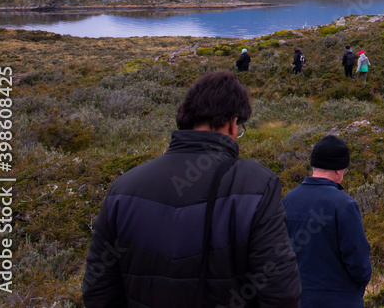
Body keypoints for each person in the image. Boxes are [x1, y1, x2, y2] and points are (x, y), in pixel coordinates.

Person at [82, 71, 301, 308]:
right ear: (233, 124)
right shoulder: (257, 185)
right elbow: (280, 293)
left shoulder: (124, 188)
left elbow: (98, 289)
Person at [283, 135, 372, 308]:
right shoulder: (344, 204)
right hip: (339, 299)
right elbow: (358, 261)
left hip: (297, 298)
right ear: (339, 170)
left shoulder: (289, 199)